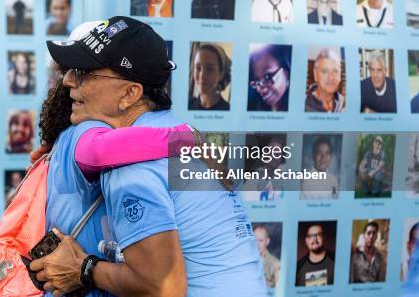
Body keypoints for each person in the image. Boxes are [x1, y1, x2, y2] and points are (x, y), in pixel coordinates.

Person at [31, 16, 267, 296]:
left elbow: (164, 287)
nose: (69, 81)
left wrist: (84, 268)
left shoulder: (130, 162)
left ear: (130, 94)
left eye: (84, 71)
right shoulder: (166, 127)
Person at [247, 44, 291, 112]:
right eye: (256, 81)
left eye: (267, 77)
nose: (260, 90)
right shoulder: (253, 107)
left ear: (286, 72)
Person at [188, 43, 231, 110]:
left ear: (221, 74)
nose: (202, 76)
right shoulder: (188, 104)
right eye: (198, 68)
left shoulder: (228, 110)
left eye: (210, 69)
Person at [305, 48, 345, 112]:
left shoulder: (344, 103)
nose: (331, 77)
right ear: (315, 75)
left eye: (335, 71)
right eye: (324, 71)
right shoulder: (303, 105)